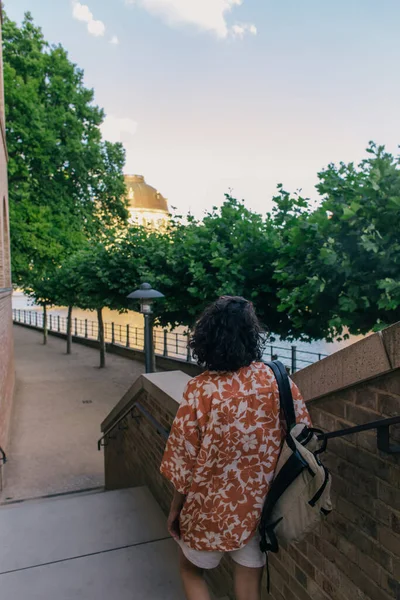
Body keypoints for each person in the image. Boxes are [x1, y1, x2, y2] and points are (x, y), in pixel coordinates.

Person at [160, 296, 311, 600]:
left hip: (206, 510)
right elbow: (302, 432)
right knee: (248, 588)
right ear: (251, 335)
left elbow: (183, 463)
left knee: (190, 572)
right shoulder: (277, 379)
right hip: (257, 508)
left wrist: (176, 508)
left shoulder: (199, 390)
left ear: (208, 336)